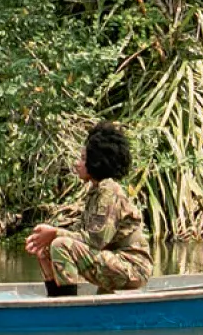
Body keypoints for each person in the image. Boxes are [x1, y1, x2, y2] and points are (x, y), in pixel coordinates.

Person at [25, 121, 153, 296]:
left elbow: (95, 241)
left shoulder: (109, 192)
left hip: (133, 267)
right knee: (49, 248)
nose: (77, 164)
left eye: (84, 159)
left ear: (96, 162)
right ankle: (56, 301)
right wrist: (46, 246)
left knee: (61, 245)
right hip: (115, 261)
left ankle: (69, 310)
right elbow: (82, 233)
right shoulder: (96, 192)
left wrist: (55, 234)